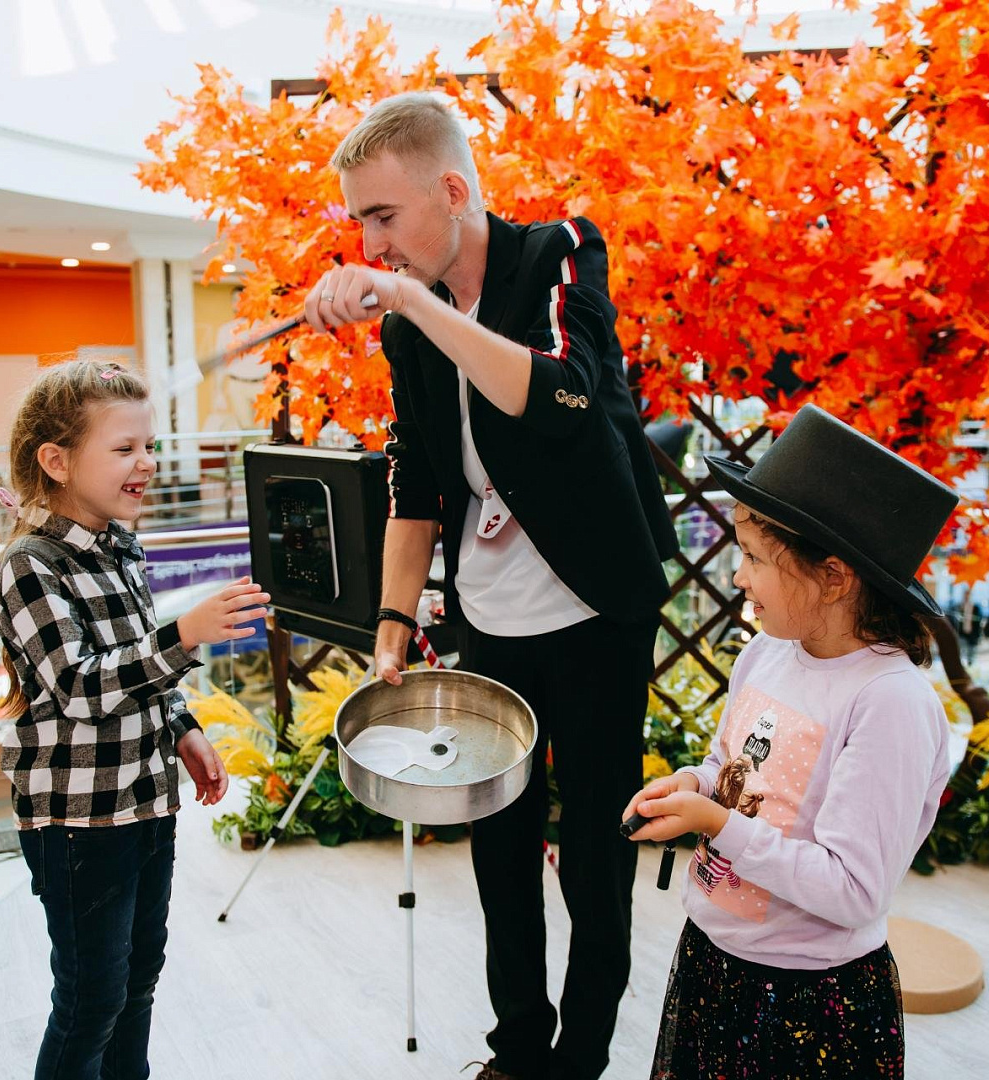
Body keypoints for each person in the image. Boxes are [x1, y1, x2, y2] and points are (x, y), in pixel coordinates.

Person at [306, 93, 678, 1080]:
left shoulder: (559, 252)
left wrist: (414, 304)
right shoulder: (408, 329)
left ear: (452, 190)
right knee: (498, 847)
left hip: (596, 609)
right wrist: (393, 619)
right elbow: (416, 480)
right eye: (360, 223)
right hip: (491, 618)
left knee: (594, 850)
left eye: (383, 216)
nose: (371, 245)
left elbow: (561, 395)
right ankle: (516, 1050)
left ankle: (581, 1058)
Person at [622, 404, 961, 1079]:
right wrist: (693, 785)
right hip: (712, 956)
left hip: (808, 998)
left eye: (754, 557)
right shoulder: (767, 653)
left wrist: (716, 823)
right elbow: (730, 766)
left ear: (834, 577)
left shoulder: (888, 701)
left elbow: (854, 889)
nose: (737, 576)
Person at [0, 359, 270, 1080]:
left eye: (150, 445)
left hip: (145, 804)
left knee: (138, 981)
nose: (147, 462)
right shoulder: (31, 566)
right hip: (78, 824)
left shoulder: (119, 546)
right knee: (90, 1001)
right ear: (56, 461)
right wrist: (185, 634)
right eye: (124, 448)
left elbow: (135, 667)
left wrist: (184, 729)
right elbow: (81, 686)